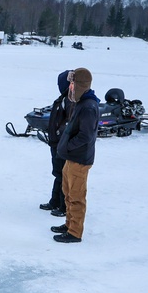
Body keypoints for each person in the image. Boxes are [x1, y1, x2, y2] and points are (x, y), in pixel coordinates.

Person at [52, 67, 99, 243]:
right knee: (68, 193)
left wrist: (69, 147)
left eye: (72, 84)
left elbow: (86, 136)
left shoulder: (88, 106)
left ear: (79, 85)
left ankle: (74, 232)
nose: (69, 87)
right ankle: (69, 223)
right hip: (71, 158)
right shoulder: (81, 102)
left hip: (79, 159)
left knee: (76, 196)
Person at [40, 70, 73, 217]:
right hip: (56, 142)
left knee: (63, 175)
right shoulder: (64, 98)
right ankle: (54, 201)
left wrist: (60, 136)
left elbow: (69, 123)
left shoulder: (71, 101)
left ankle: (63, 206)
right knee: (58, 173)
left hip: (62, 143)